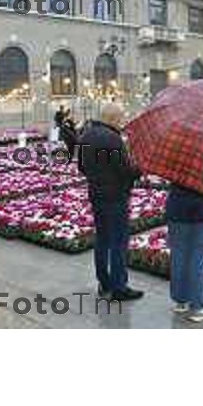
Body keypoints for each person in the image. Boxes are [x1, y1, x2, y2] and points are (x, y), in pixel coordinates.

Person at [79, 103, 143, 301]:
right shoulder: (112, 139)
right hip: (115, 197)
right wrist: (139, 169)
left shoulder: (86, 135)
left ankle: (104, 282)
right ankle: (118, 287)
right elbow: (124, 170)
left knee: (103, 239)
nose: (123, 121)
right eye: (121, 118)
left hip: (96, 194)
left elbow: (82, 166)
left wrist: (97, 177)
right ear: (113, 118)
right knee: (118, 241)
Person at [166, 183, 203, 322]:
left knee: (178, 254)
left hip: (176, 207)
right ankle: (199, 307)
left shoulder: (176, 161)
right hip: (202, 211)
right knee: (198, 258)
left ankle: (181, 300)